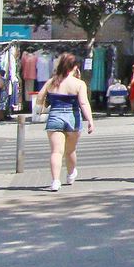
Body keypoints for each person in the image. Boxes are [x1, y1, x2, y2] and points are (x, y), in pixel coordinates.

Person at [35, 52, 93, 192]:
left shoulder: (52, 81)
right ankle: (71, 174)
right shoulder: (79, 84)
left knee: (56, 152)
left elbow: (40, 97)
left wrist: (41, 109)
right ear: (74, 67)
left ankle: (55, 181)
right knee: (70, 150)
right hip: (73, 118)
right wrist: (90, 120)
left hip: (55, 116)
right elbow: (84, 103)